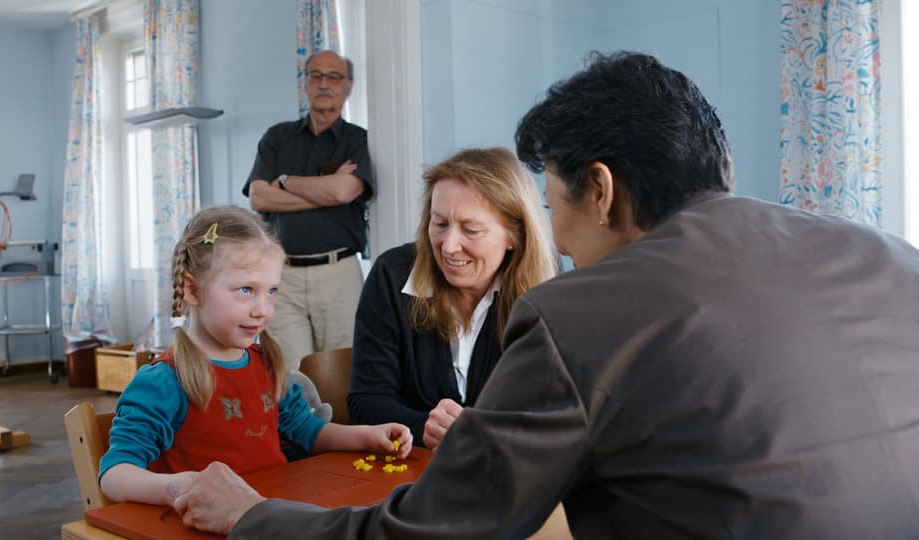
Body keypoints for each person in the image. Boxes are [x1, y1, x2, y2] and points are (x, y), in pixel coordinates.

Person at [172, 51, 919, 539]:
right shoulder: (892, 257)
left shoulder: (582, 313)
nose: (560, 238)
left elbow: (430, 534)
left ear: (599, 188)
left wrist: (254, 517)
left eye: (553, 205)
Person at [98, 206, 411, 507]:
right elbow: (114, 475)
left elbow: (308, 432)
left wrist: (366, 436)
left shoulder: (267, 365)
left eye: (271, 291)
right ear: (192, 291)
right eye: (246, 290)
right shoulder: (163, 382)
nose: (262, 309)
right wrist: (176, 487)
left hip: (269, 519)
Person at [347, 147, 556, 448]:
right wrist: (424, 428)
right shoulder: (391, 275)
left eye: (470, 230)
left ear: (514, 236)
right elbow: (366, 401)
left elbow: (550, 408)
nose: (448, 247)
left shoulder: (543, 286)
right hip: (412, 473)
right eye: (440, 224)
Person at [243, 49, 373, 370]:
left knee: (344, 370)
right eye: (316, 75)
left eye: (334, 76)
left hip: (338, 273)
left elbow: (345, 191)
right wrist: (325, 190)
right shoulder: (277, 137)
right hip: (281, 275)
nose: (324, 83)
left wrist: (284, 182)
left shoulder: (360, 140)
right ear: (306, 83)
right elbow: (259, 197)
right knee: (290, 374)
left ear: (349, 86)